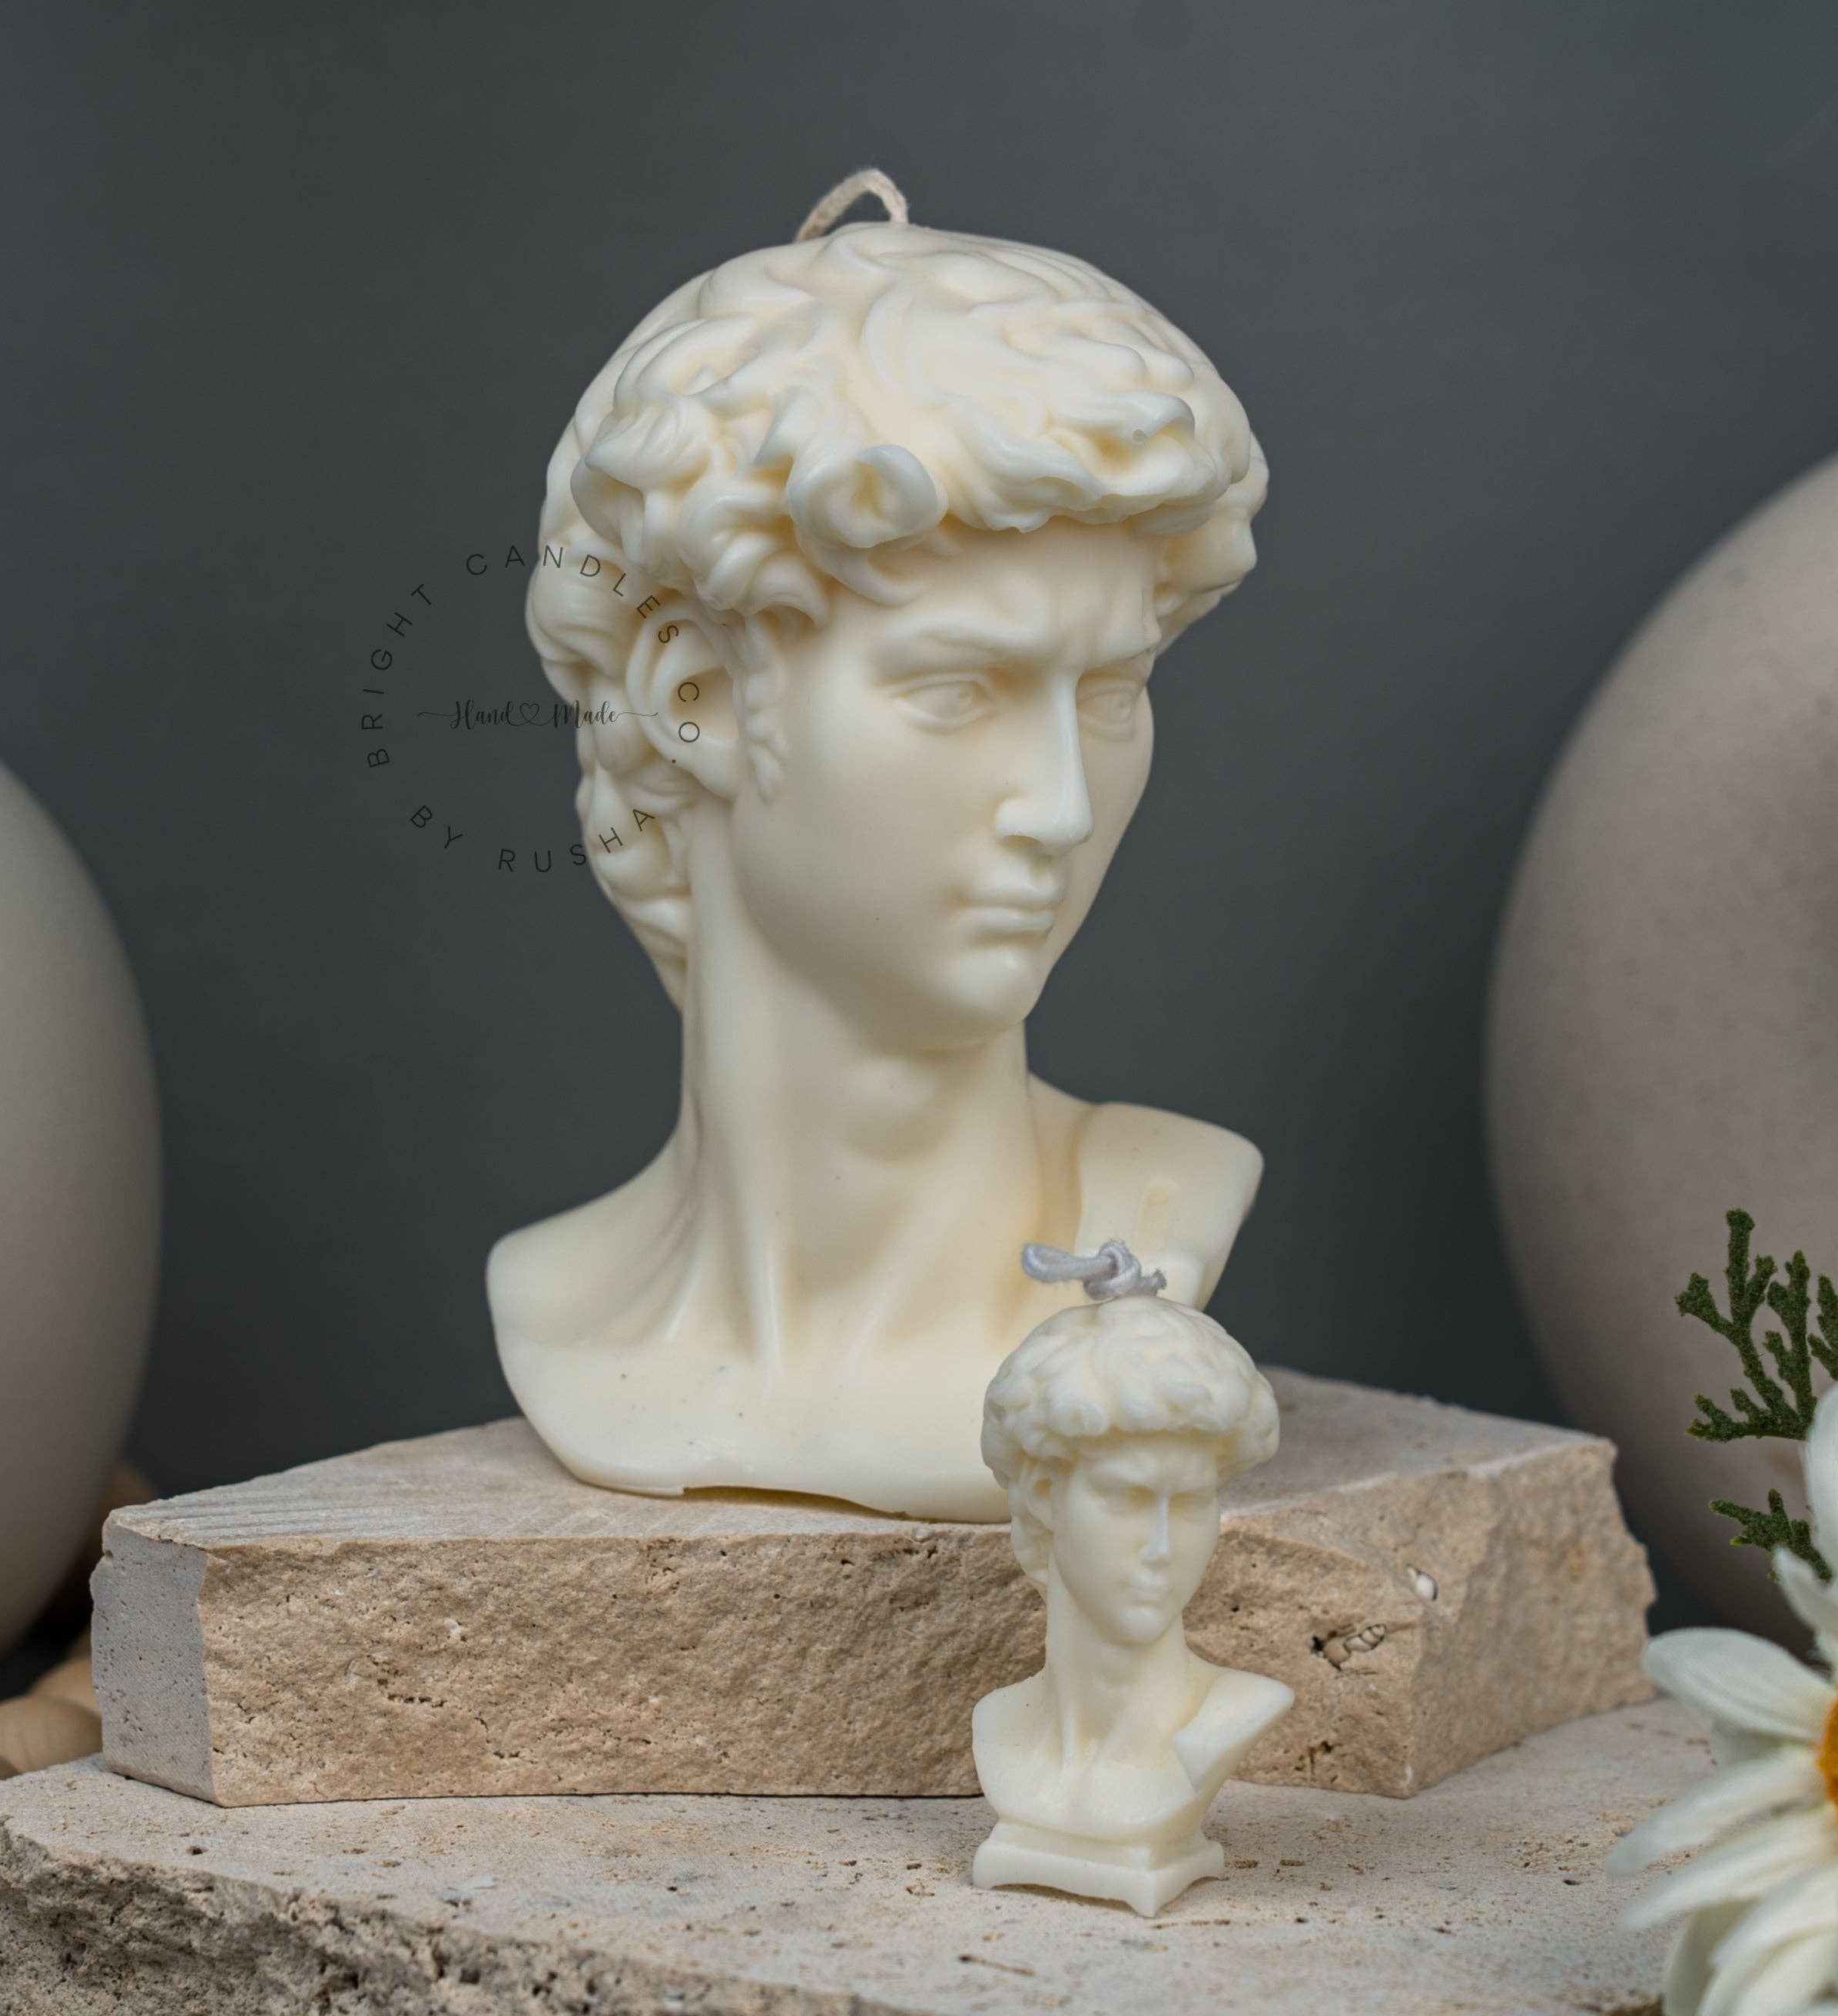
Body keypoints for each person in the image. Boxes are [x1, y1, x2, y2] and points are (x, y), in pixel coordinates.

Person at [489, 210, 1269, 1518]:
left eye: (1110, 691)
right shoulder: (558, 1298)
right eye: (959, 692)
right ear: (696, 697)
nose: (1060, 806)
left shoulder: (1158, 1208)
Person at [971, 1240, 1292, 1914]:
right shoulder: (1000, 1727)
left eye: (1193, 1503)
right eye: (1125, 1500)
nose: (1162, 1547)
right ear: (1046, 1495)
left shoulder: (1228, 1718)